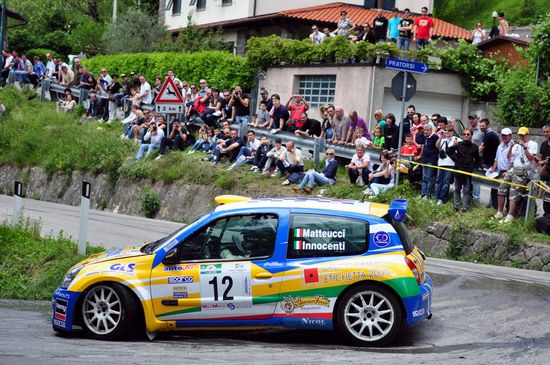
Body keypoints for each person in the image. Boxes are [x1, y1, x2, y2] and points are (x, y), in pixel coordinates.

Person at [494, 127, 538, 222]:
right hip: (514, 169)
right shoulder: (516, 145)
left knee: (514, 192)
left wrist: (524, 147)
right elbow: (509, 157)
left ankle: (510, 215)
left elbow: (530, 158)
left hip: (525, 170)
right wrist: (511, 146)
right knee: (501, 188)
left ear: (527, 135)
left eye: (523, 135)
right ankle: (500, 212)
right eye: (519, 135)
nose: (521, 137)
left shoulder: (532, 144)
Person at [447, 127, 481, 212]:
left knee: (466, 190)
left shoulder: (474, 147)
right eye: (464, 134)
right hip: (458, 170)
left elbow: (477, 159)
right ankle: (456, 206)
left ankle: (465, 207)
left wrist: (474, 167)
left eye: (468, 134)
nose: (466, 136)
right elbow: (448, 151)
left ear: (471, 136)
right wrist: (455, 158)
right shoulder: (458, 144)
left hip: (468, 172)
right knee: (457, 188)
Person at [486, 128, 513, 210]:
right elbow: (496, 159)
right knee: (494, 190)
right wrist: (492, 170)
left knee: (507, 192)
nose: (504, 137)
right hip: (499, 172)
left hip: (508, 172)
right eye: (502, 135)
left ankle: (507, 210)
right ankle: (496, 209)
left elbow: (513, 161)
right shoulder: (500, 146)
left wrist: (508, 172)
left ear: (510, 136)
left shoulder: (514, 146)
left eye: (506, 135)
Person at [434, 125, 461, 205]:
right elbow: (437, 146)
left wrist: (456, 145)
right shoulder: (443, 139)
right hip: (441, 163)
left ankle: (442, 199)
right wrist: (440, 137)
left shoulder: (456, 139)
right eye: (446, 131)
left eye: (449, 131)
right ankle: (436, 197)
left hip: (450, 164)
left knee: (446, 182)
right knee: (438, 181)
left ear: (453, 131)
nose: (448, 132)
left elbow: (461, 145)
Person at [419, 124, 439, 199]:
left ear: (431, 130)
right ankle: (423, 193)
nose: (426, 132)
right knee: (424, 177)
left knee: (429, 178)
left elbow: (438, 148)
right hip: (424, 160)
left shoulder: (435, 137)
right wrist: (421, 157)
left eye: (428, 130)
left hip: (431, 160)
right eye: (425, 130)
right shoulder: (426, 137)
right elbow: (424, 147)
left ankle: (428, 194)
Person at [538, 125, 550, 216]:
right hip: (544, 175)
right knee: (545, 200)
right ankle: (546, 218)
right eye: (544, 132)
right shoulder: (543, 144)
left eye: (548, 131)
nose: (546, 133)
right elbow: (540, 160)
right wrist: (544, 161)